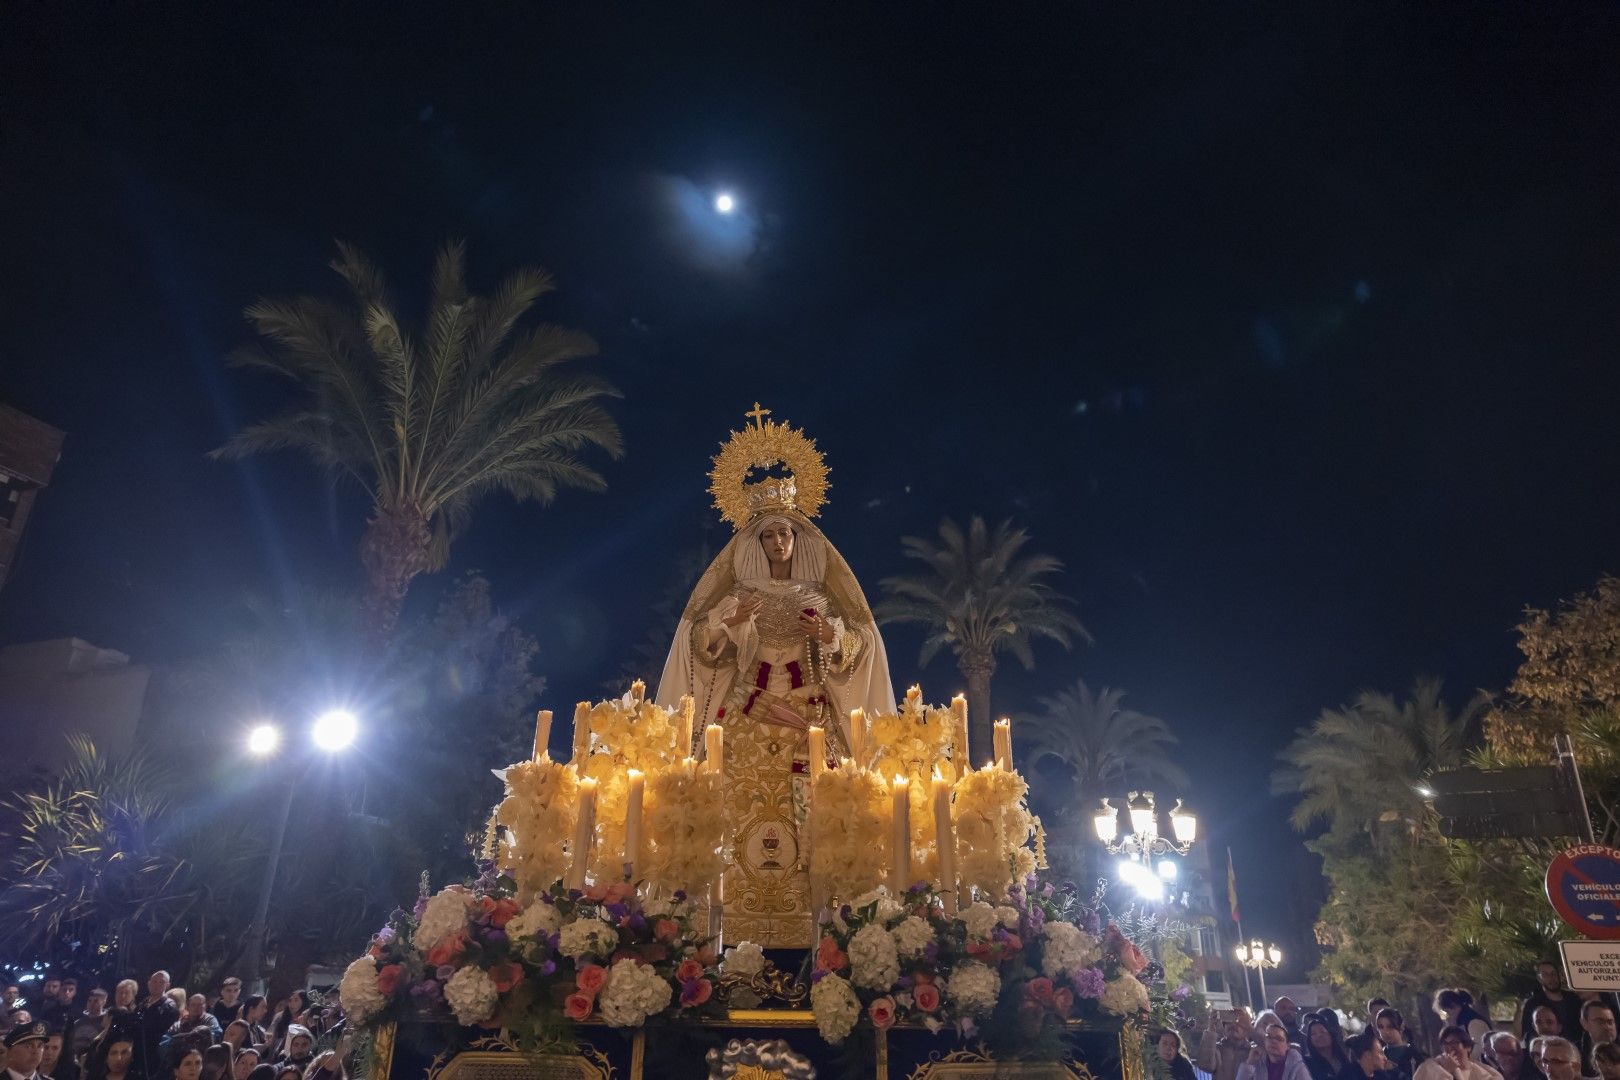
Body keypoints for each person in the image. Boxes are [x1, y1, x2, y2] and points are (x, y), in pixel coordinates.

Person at [654, 411, 897, 949]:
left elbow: (858, 647)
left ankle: (822, 933)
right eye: (771, 535)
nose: (781, 541)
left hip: (809, 714)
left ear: (799, 537)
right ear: (758, 543)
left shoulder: (820, 595)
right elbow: (700, 646)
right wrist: (727, 625)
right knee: (730, 803)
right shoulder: (743, 595)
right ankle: (725, 926)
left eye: (788, 532)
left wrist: (830, 634)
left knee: (818, 809)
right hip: (747, 711)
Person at [1523, 964, 1584, 1045]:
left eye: (1554, 973)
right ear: (1539, 978)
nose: (1551, 977)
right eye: (1545, 974)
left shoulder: (1573, 998)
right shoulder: (1533, 1003)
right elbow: (1528, 1032)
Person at [1414, 1026, 1504, 1080]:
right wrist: (1447, 1072)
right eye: (1445, 1043)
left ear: (1468, 1047)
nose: (1449, 1048)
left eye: (1454, 1043)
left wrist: (1455, 1071)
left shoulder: (1484, 1073)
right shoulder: (1429, 1067)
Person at [134, 976, 176, 1080]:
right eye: (154, 981)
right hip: (136, 1055)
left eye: (161, 982)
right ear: (148, 983)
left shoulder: (169, 1007)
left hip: (154, 1058)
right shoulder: (142, 1004)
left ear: (168, 985)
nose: (156, 985)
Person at [1238, 1023, 1312, 1080]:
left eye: (1279, 1039)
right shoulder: (1258, 1061)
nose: (1273, 1041)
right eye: (1269, 1037)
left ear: (1287, 1046)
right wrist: (1250, 1062)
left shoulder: (1296, 1063)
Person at [1435, 991, 1493, 1063]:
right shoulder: (1451, 1023)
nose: (1444, 1016)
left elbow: (1479, 1051)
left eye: (1444, 1011)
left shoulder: (1474, 1022)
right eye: (1442, 1013)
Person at [160, 999, 219, 1069]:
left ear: (205, 1007)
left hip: (202, 1064)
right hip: (180, 1063)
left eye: (200, 1005)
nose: (196, 1007)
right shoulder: (178, 1025)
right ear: (187, 1007)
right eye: (193, 1005)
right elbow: (164, 1044)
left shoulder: (210, 1021)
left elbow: (214, 1035)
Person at [1202, 1011, 1257, 1080]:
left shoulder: (1253, 1052)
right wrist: (1211, 1028)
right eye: (1229, 1021)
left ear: (1246, 1028)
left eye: (1238, 1022)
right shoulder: (1216, 1048)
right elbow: (1205, 1067)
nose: (1233, 1025)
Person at [1305, 1013, 1352, 1080]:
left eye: (1322, 1031)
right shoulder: (1307, 1063)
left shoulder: (1342, 1057)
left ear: (1331, 1034)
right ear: (1310, 1040)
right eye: (1313, 1033)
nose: (1319, 1035)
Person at [70, 992, 107, 1067]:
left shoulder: (105, 1023)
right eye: (89, 1001)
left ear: (104, 1002)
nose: (91, 1004)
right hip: (73, 1061)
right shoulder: (77, 1022)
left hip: (93, 1062)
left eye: (96, 1001)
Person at [1582, 1003, 1620, 1072]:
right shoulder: (1576, 1053)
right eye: (1600, 1022)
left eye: (1610, 1022)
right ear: (1584, 1023)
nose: (1607, 1027)